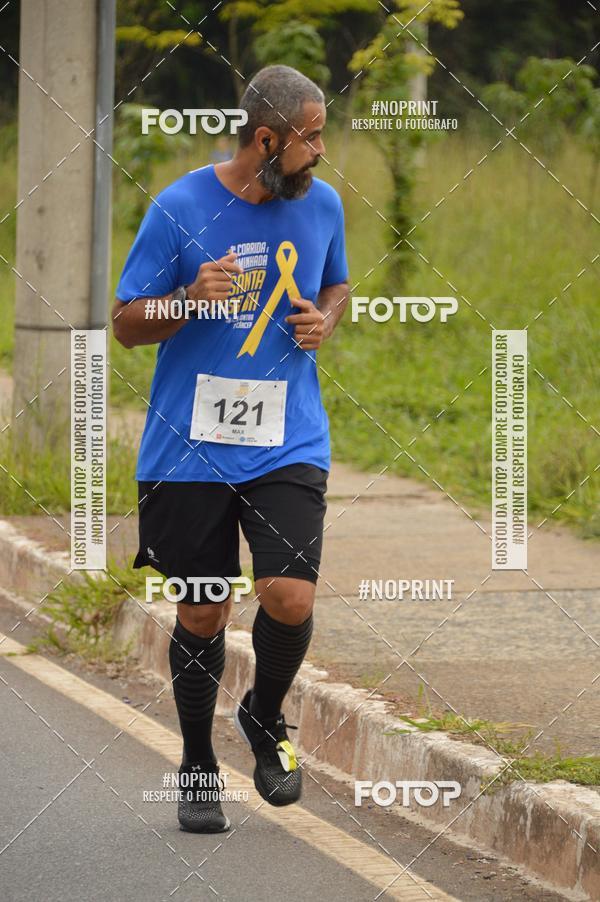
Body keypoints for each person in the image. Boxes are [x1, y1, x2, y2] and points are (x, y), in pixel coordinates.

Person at [112, 64, 349, 833]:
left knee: (290, 595)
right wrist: (186, 300)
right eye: (310, 138)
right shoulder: (181, 206)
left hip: (288, 438)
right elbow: (125, 320)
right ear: (266, 139)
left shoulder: (324, 206)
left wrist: (327, 321)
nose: (319, 152)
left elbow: (337, 285)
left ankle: (264, 715)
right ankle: (195, 763)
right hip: (188, 447)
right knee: (206, 611)